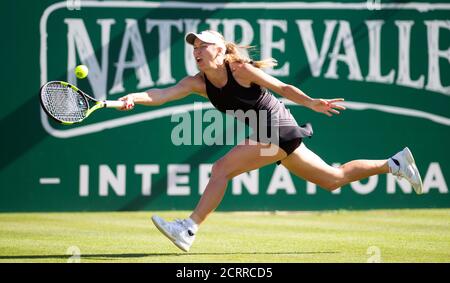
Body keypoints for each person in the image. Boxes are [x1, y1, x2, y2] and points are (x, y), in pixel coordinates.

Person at [119, 30, 423, 252]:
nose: (197, 50)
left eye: (204, 45)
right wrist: (132, 97)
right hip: (274, 134)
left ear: (221, 50)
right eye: (194, 46)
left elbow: (283, 86)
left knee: (221, 169)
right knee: (333, 179)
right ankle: (394, 164)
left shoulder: (241, 69)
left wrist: (311, 102)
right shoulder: (197, 83)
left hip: (277, 128)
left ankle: (189, 227)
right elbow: (160, 95)